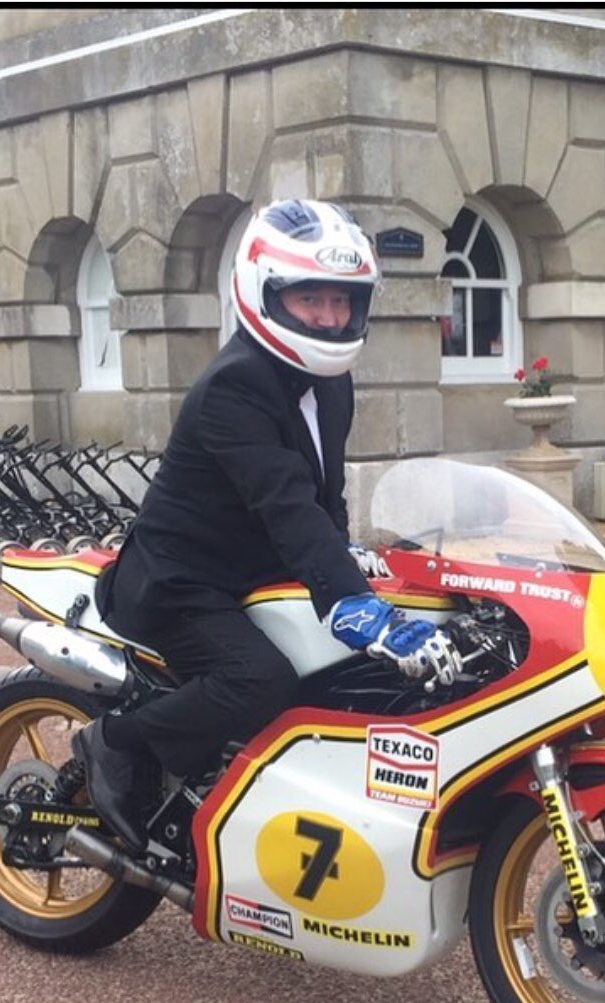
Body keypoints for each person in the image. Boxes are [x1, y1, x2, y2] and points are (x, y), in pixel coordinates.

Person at [72, 199, 460, 852]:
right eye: (310, 299)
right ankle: (115, 741)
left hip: (257, 572)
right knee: (260, 680)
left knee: (345, 675)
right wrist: (359, 609)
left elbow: (323, 495)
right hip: (181, 581)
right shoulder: (235, 386)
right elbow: (286, 506)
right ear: (265, 294)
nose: (330, 317)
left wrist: (349, 557)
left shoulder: (331, 381)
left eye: (341, 300)